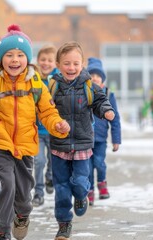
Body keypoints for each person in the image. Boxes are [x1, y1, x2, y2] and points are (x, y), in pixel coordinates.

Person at [0, 24, 70, 240]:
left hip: (26, 145)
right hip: (1, 142)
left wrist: (57, 125)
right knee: (6, 184)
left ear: (27, 58)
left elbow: (47, 111)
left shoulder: (36, 84)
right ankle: (2, 230)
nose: (14, 59)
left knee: (24, 195)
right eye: (9, 55)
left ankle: (23, 215)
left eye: (19, 55)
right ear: (1, 58)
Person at [49, 42, 115, 240]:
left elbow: (101, 100)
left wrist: (106, 110)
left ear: (82, 64)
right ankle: (63, 224)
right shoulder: (53, 87)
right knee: (61, 188)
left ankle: (81, 196)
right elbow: (42, 107)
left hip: (82, 145)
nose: (71, 68)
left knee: (79, 182)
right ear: (58, 65)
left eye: (75, 63)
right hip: (59, 145)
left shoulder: (89, 85)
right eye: (66, 63)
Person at [86, 57, 121, 206]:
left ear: (102, 79)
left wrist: (116, 139)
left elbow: (115, 119)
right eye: (91, 75)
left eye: (97, 76)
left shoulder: (108, 95)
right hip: (86, 138)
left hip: (100, 139)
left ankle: (102, 183)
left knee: (99, 163)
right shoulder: (85, 93)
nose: (94, 78)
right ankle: (90, 191)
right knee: (87, 167)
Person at [32, 44, 58, 206]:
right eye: (43, 60)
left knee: (53, 160)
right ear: (38, 60)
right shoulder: (33, 79)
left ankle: (50, 177)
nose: (46, 63)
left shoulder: (58, 80)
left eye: (50, 60)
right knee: (39, 161)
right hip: (37, 130)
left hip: (53, 130)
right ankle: (38, 192)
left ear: (56, 63)